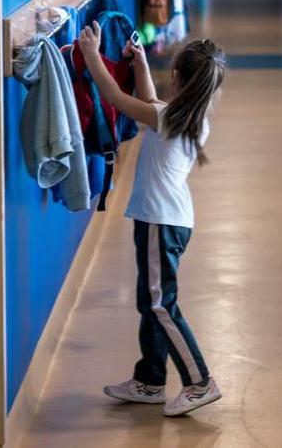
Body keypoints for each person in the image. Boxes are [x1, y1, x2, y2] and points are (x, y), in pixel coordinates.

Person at [76, 24, 228, 417]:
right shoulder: (186, 117)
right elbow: (149, 102)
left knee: (162, 305)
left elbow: (115, 96)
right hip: (165, 220)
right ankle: (151, 380)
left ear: (177, 77)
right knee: (150, 302)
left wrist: (91, 53)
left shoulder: (169, 119)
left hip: (162, 223)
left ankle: (199, 382)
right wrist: (141, 63)